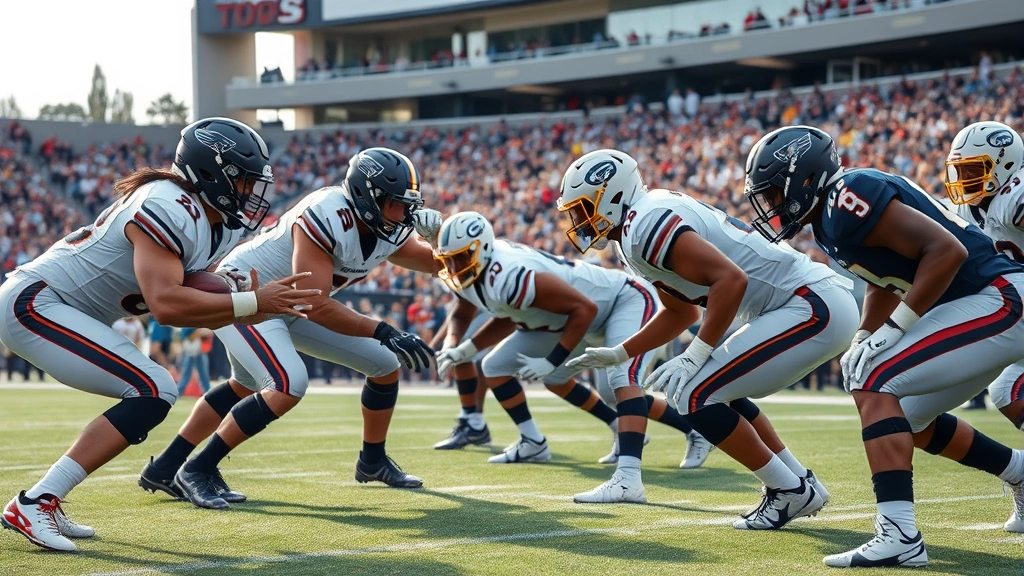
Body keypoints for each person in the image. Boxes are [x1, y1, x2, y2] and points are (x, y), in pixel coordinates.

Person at [0, 117, 318, 552]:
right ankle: (37, 501)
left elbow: (189, 304)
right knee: (153, 388)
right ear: (210, 173)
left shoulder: (211, 221)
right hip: (38, 301)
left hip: (62, 308)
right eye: (242, 181)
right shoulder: (170, 203)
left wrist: (242, 303)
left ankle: (43, 500)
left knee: (152, 389)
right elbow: (167, 305)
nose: (250, 192)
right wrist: (252, 302)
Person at [744, 125, 1024, 568]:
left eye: (775, 194)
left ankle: (899, 534)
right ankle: (1019, 473)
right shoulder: (829, 217)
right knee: (907, 418)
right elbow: (886, 281)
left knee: (874, 379)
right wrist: (865, 336)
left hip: (998, 296)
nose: (774, 207)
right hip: (978, 302)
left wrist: (896, 329)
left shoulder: (846, 195)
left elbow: (945, 251)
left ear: (802, 178)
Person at [558, 149, 856, 527]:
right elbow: (681, 312)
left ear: (612, 196)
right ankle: (798, 482)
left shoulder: (644, 223)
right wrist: (621, 352)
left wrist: (697, 352)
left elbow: (731, 280)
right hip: (805, 302)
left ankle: (788, 490)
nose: (578, 221)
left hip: (810, 303)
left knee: (694, 392)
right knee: (714, 390)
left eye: (583, 209)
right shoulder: (635, 228)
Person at [140, 148, 439, 510]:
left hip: (291, 304)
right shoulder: (329, 214)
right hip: (251, 293)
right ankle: (197, 468)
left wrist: (443, 237)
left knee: (382, 367)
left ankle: (372, 461)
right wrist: (384, 329)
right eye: (394, 203)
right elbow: (314, 302)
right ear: (367, 198)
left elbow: (437, 264)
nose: (404, 214)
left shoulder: (389, 228)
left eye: (408, 205)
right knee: (286, 384)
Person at [434, 212, 698, 503]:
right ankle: (534, 441)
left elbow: (583, 309)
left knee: (616, 385)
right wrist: (464, 349)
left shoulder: (509, 271)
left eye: (459, 258)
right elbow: (509, 312)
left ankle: (687, 435)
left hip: (618, 302)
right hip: (570, 319)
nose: (453, 266)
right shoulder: (480, 272)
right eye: (448, 259)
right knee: (498, 367)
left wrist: (551, 358)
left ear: (481, 248)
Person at [943, 121, 1024, 532]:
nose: (965, 180)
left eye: (976, 169)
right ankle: (1021, 475)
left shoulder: (1018, 194)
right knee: (1006, 393)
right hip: (1005, 310)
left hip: (1017, 306)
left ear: (1006, 165)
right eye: (962, 170)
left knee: (1009, 390)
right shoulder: (965, 208)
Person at [175, 328, 212, 396]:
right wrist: (199, 333)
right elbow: (188, 336)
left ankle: (208, 394)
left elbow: (210, 332)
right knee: (186, 374)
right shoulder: (188, 323)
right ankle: (178, 394)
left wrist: (200, 333)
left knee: (203, 375)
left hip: (200, 349)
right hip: (190, 350)